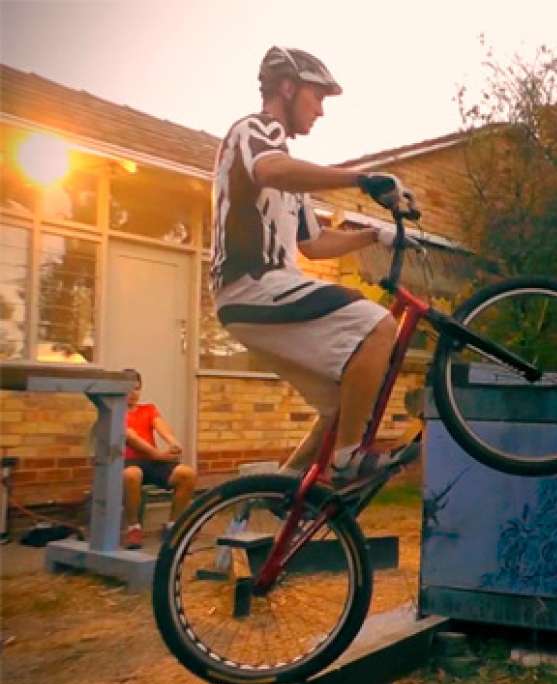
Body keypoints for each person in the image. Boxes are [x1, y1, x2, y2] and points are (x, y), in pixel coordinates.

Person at [210, 46, 414, 487]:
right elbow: (271, 170)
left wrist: (374, 235)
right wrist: (361, 178)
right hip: (251, 287)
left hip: (267, 292)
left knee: (348, 398)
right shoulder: (255, 131)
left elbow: (315, 245)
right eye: (316, 97)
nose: (321, 111)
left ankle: (279, 494)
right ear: (286, 87)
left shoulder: (293, 183)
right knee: (377, 325)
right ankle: (347, 459)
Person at [122, 369, 197, 549]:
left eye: (137, 389)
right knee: (132, 474)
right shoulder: (114, 412)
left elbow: (161, 427)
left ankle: (173, 525)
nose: (133, 394)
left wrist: (173, 443)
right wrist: (158, 455)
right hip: (127, 463)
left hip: (151, 463)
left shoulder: (148, 409)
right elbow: (130, 438)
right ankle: (133, 528)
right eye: (128, 389)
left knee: (187, 474)